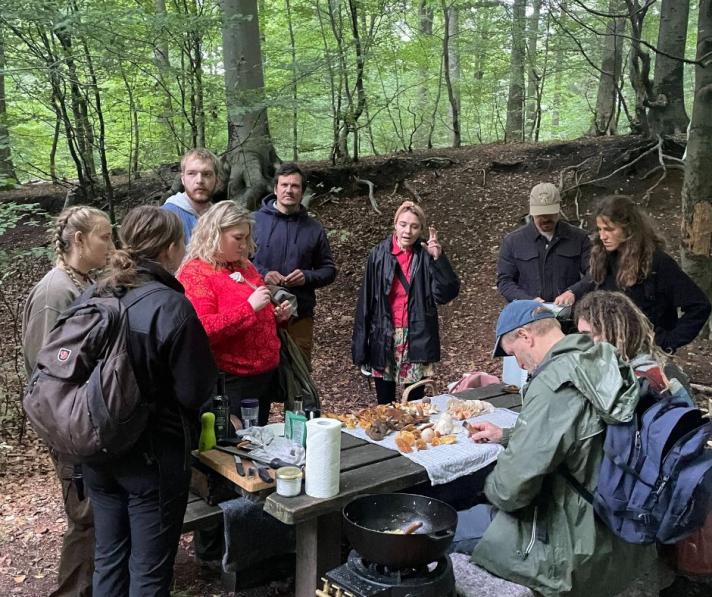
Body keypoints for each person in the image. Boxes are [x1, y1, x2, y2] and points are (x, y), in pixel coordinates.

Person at [458, 300, 655, 597]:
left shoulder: (553, 381)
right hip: (623, 533)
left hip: (573, 545)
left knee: (445, 527)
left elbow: (511, 492)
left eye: (514, 354)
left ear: (526, 335)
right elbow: (585, 435)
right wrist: (511, 436)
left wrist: (487, 489)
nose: (520, 365)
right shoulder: (601, 362)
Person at [81, 206, 217, 596]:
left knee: (109, 558)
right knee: (150, 570)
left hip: (97, 449)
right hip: (152, 459)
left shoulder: (95, 293)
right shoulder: (172, 306)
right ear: (172, 248)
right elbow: (195, 392)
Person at [22, 205, 114, 597]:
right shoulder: (55, 291)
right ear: (80, 240)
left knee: (97, 512)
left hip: (85, 421)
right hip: (67, 426)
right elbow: (47, 374)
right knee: (86, 517)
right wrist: (70, 431)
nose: (111, 245)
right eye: (105, 237)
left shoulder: (83, 281)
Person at [178, 200, 293, 426]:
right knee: (234, 447)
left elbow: (260, 310)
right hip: (231, 381)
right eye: (237, 238)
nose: (244, 245)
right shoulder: (196, 273)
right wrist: (249, 308)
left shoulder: (244, 266)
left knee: (255, 438)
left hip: (262, 377)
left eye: (246, 238)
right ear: (215, 234)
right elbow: (202, 329)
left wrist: (278, 316)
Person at [352, 200, 460, 404]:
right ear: (395, 224)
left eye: (414, 226)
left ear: (421, 229)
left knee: (414, 402)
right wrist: (361, 349)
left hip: (417, 336)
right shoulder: (378, 254)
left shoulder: (426, 255)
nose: (407, 231)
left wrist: (439, 260)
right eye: (403, 224)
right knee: (385, 403)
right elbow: (366, 302)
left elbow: (446, 294)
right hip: (384, 335)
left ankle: (411, 436)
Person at [588, 195, 711, 353]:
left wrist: (668, 341)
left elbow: (699, 305)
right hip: (607, 350)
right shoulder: (602, 257)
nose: (603, 236)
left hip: (647, 353)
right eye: (600, 229)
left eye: (609, 229)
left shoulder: (657, 263)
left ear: (628, 228)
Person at [252, 162, 336, 364]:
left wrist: (306, 277)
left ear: (302, 191)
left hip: (300, 315)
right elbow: (238, 262)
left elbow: (329, 270)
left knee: (298, 374)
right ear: (275, 188)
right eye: (284, 185)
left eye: (295, 186)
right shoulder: (253, 222)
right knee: (261, 374)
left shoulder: (314, 228)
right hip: (260, 312)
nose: (289, 190)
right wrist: (263, 274)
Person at [575, 290, 693, 400]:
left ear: (616, 332)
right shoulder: (658, 365)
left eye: (588, 335)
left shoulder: (640, 381)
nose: (583, 342)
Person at [497, 182, 590, 305]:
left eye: (550, 213)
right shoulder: (513, 241)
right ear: (532, 212)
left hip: (571, 313)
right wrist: (527, 301)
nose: (546, 219)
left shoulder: (579, 238)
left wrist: (573, 292)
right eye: (541, 215)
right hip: (529, 316)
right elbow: (505, 281)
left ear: (558, 209)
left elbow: (594, 273)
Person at [162, 148, 220, 245]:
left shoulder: (221, 217)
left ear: (217, 181)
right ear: (183, 179)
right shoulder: (165, 217)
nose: (199, 180)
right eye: (192, 173)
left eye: (207, 174)